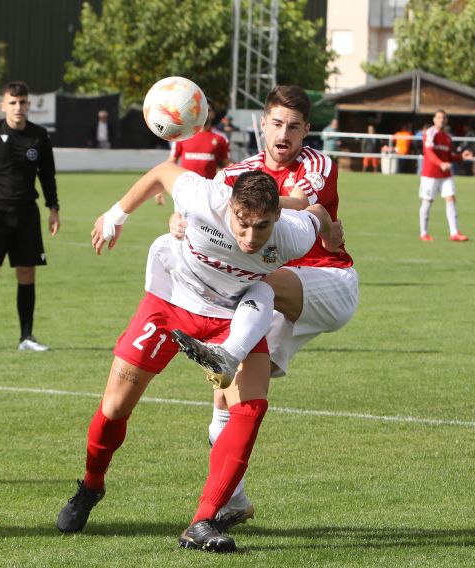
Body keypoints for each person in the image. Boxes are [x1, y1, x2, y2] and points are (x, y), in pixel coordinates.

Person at [56, 161, 342, 553]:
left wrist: (329, 236)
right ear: (228, 206)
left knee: (252, 406)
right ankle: (91, 486)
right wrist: (116, 214)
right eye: (242, 222)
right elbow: (162, 171)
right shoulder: (203, 197)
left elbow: (318, 213)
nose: (250, 236)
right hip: (172, 297)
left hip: (232, 313)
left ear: (278, 216)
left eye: (262, 226)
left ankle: (202, 521)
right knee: (114, 407)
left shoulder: (291, 234)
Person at [169, 84, 357, 530]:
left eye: (294, 126)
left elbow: (292, 203)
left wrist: (230, 201)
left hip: (328, 283)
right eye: (276, 123)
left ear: (307, 130)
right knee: (227, 393)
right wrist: (179, 220)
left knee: (251, 283)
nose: (284, 134)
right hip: (269, 294)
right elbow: (205, 212)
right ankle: (231, 499)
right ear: (262, 125)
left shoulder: (317, 164)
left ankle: (226, 345)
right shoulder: (237, 171)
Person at [0, 81, 60, 352]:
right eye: (13, 102)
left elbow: (47, 175)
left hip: (26, 215)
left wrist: (53, 208)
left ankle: (26, 338)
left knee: (27, 272)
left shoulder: (39, 136)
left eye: (23, 102)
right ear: (3, 105)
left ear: (29, 105)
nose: (18, 107)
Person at [418, 110, 473, 242]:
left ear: (446, 120)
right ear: (434, 119)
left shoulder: (447, 137)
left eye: (443, 118)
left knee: (451, 199)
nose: (441, 120)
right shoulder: (430, 133)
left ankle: (454, 233)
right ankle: (423, 233)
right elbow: (429, 152)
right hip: (430, 174)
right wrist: (440, 163)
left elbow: (449, 156)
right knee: (427, 202)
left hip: (445, 174)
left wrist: (461, 157)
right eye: (439, 117)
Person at [168, 107, 231, 179]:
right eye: (200, 109)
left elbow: (227, 164)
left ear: (213, 114)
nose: (204, 112)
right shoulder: (183, 135)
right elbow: (171, 162)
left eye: (208, 110)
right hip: (186, 186)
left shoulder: (221, 137)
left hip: (208, 187)